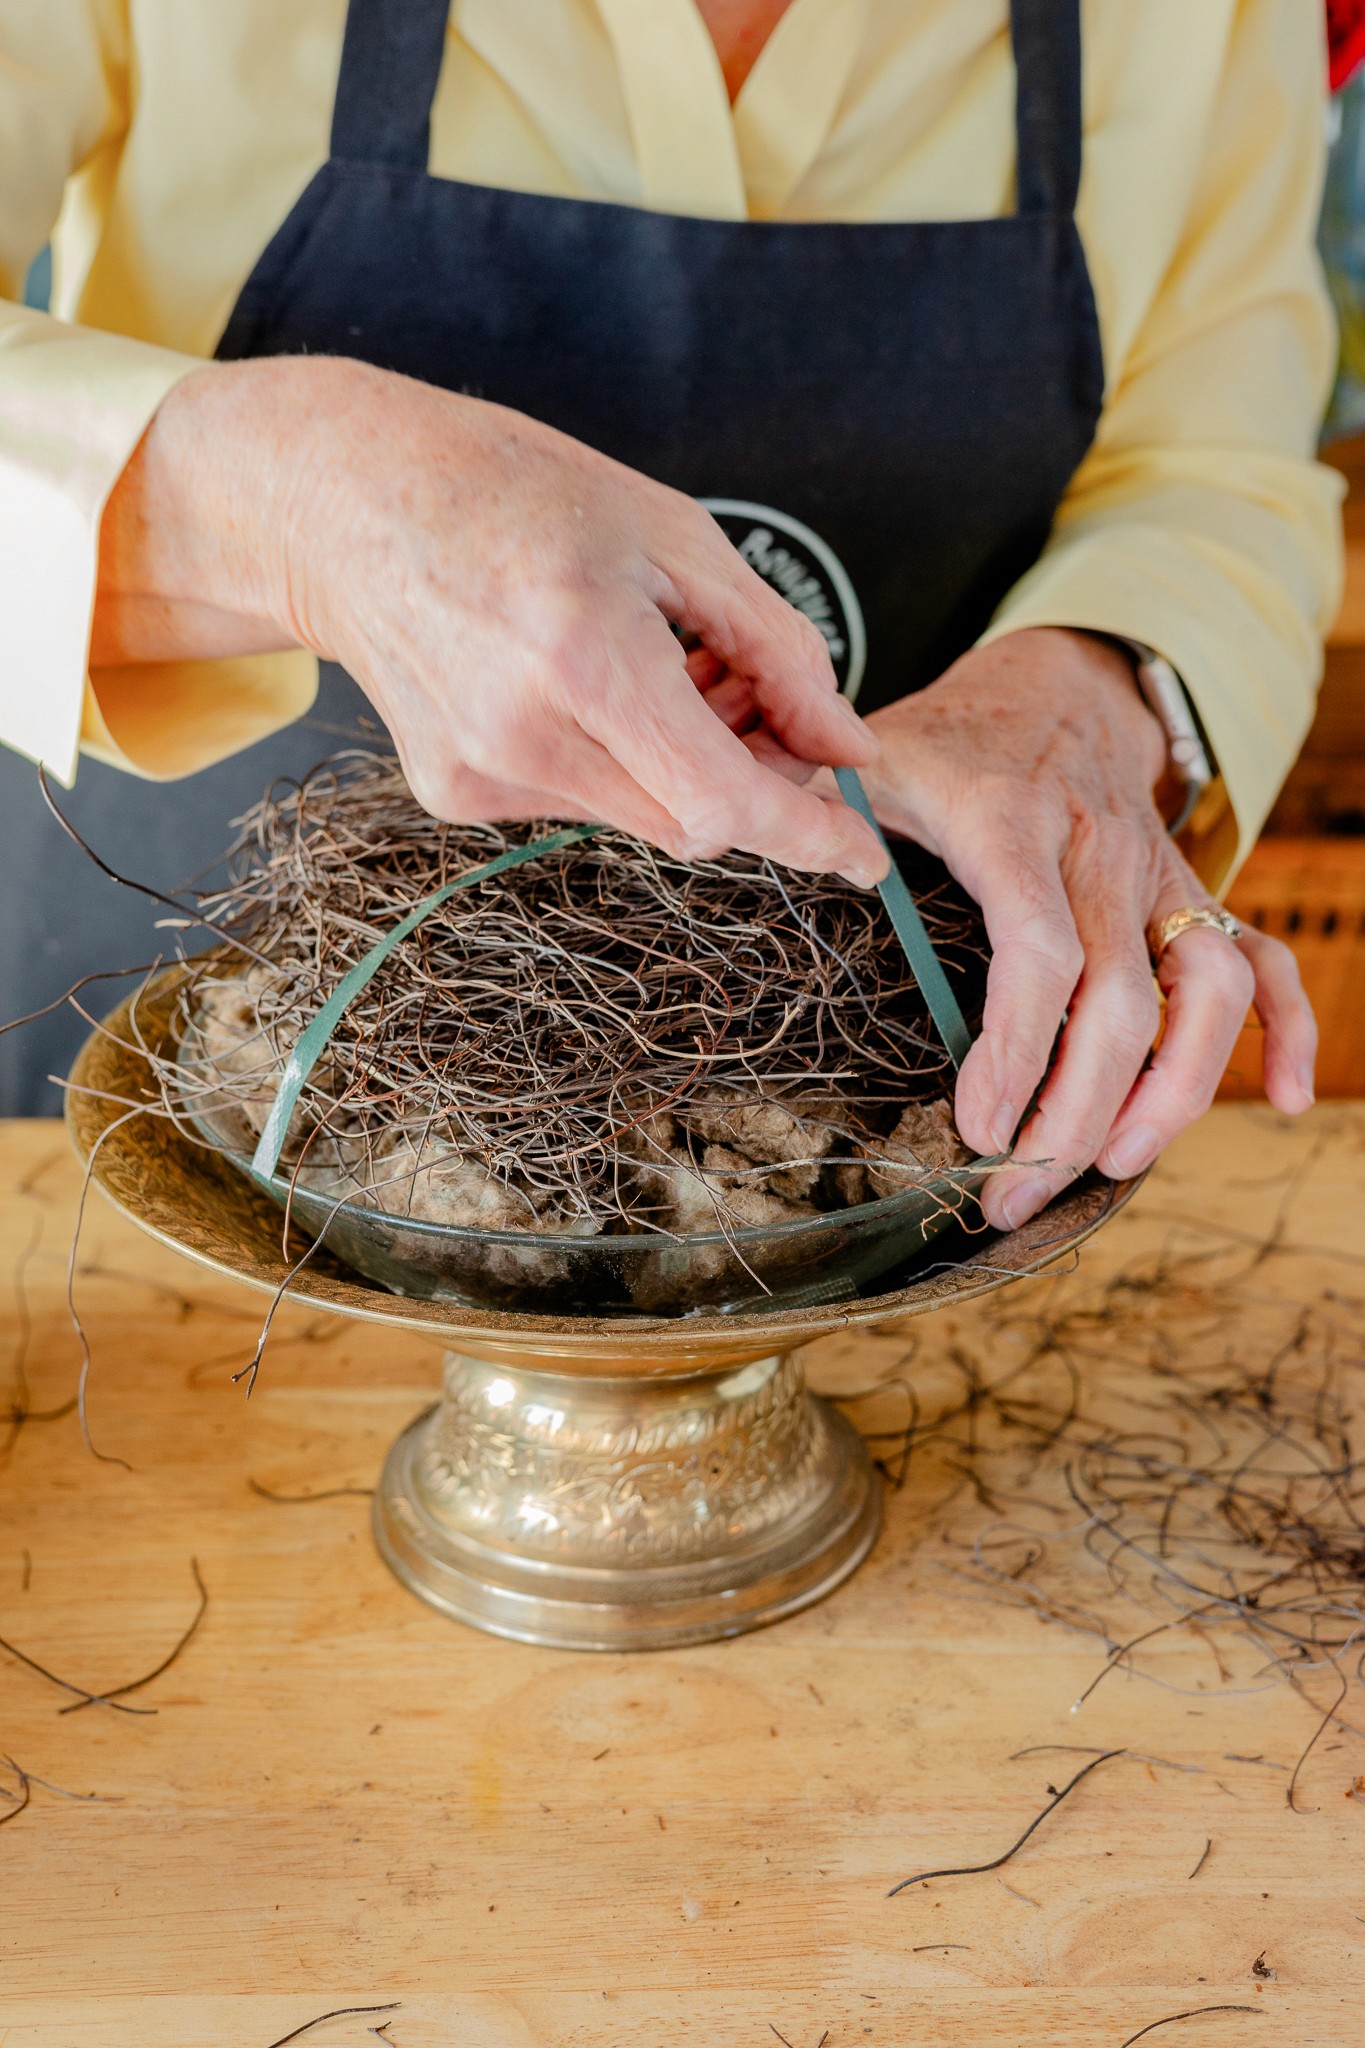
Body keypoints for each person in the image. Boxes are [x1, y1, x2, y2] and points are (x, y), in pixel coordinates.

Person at [0, 0, 1338, 1235]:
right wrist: (308, 511)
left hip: (857, 1150)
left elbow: (1213, 465)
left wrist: (1088, 693)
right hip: (242, 1064)